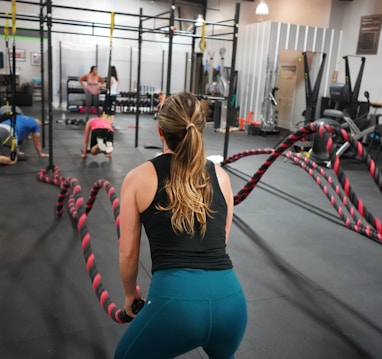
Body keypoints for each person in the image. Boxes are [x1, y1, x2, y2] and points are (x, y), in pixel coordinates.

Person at [115, 92, 247, 358]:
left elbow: (128, 253)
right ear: (200, 128)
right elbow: (220, 242)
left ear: (160, 130)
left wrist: (130, 294)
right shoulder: (221, 177)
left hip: (177, 307)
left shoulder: (137, 178)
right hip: (232, 304)